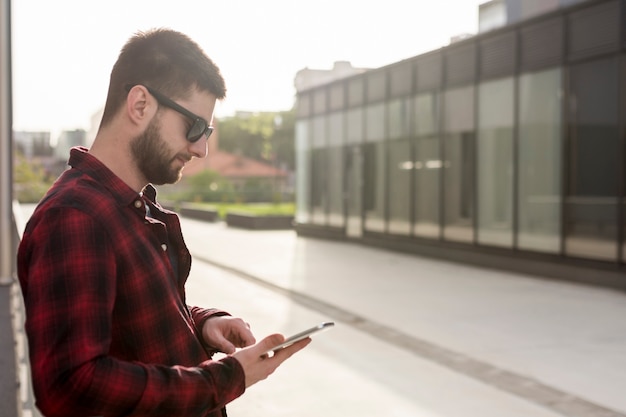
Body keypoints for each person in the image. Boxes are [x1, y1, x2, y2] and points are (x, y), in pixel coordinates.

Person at [17, 28, 310, 417]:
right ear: (140, 104)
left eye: (206, 132)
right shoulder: (75, 217)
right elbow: (72, 388)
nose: (201, 149)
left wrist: (203, 324)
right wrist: (227, 376)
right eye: (193, 128)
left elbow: (134, 325)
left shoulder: (129, 208)